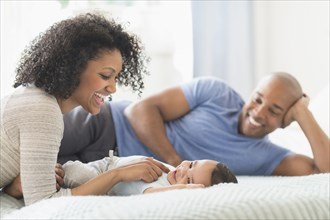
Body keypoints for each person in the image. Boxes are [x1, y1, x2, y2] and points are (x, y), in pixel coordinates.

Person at [0, 12, 169, 206]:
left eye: (116, 78)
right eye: (106, 76)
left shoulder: (35, 96)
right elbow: (43, 204)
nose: (113, 88)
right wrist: (117, 174)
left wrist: (14, 187)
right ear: (73, 68)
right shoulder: (43, 111)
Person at [59, 72, 329, 176]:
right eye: (257, 99)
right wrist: (173, 160)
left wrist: (304, 113)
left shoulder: (268, 157)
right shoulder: (216, 92)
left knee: (40, 180)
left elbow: (324, 171)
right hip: (106, 124)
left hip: (107, 167)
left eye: (275, 111)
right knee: (32, 147)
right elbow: (141, 110)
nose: (258, 112)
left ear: (285, 121)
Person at [63, 151, 238, 196]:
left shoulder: (162, 188)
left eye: (189, 179)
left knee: (75, 174)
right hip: (107, 163)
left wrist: (188, 188)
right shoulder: (172, 171)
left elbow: (151, 194)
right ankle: (59, 171)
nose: (183, 170)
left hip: (100, 180)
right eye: (191, 164)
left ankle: (59, 173)